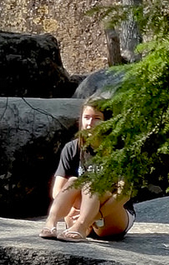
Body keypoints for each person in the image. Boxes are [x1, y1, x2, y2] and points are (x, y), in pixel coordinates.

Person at [41, 96, 135, 242]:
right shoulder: (72, 148)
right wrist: (73, 210)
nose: (90, 123)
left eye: (96, 118)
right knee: (73, 181)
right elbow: (57, 191)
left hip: (109, 215)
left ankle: (81, 225)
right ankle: (51, 223)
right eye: (86, 117)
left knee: (92, 185)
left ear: (107, 122)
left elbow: (124, 195)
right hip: (77, 213)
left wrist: (94, 216)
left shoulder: (120, 150)